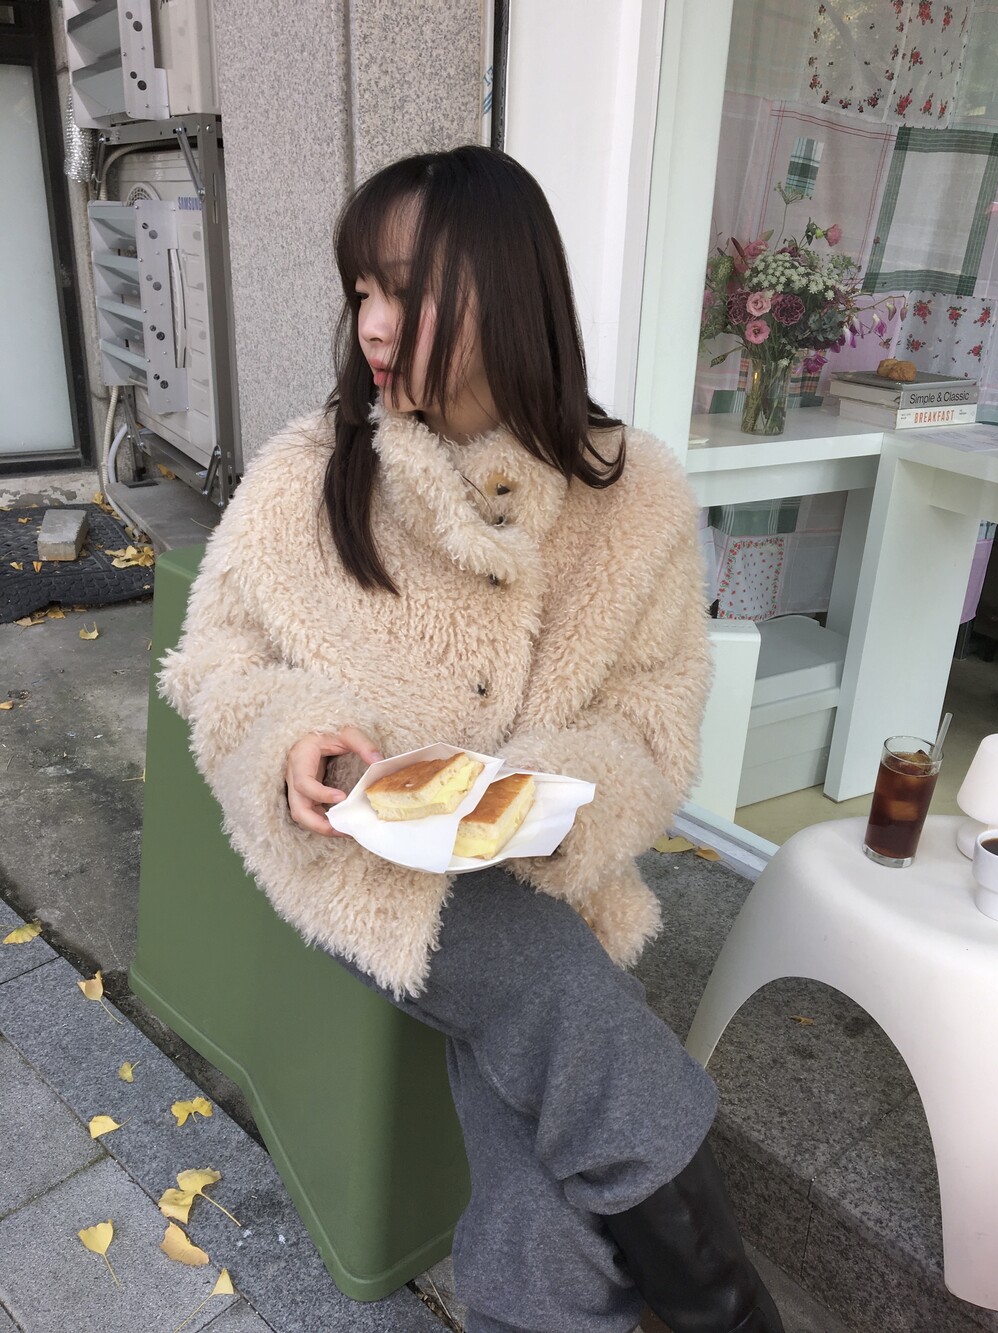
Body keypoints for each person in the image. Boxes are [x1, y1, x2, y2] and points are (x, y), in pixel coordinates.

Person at [159, 145, 783, 1333]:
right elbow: (216, 663)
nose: (371, 323)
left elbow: (652, 715)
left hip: (540, 866)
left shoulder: (633, 497)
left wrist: (546, 803)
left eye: (403, 290)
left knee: (542, 1135)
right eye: (361, 290)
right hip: (365, 861)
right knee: (566, 1006)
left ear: (505, 290)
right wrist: (294, 740)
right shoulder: (311, 475)